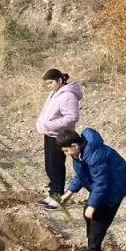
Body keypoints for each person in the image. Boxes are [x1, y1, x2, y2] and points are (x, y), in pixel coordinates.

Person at [55, 128, 126, 251]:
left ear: (74, 145)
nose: (66, 154)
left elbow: (102, 183)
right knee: (88, 214)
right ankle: (91, 247)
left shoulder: (94, 156)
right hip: (105, 184)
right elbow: (83, 174)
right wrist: (69, 193)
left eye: (66, 150)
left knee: (98, 217)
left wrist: (92, 205)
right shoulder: (80, 153)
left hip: (115, 186)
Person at [36, 69, 82, 210]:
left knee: (56, 166)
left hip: (59, 136)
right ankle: (52, 194)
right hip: (50, 134)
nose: (48, 86)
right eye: (47, 83)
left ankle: (58, 197)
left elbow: (71, 117)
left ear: (60, 80)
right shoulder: (55, 93)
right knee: (50, 166)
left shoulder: (68, 96)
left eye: (50, 82)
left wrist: (47, 125)